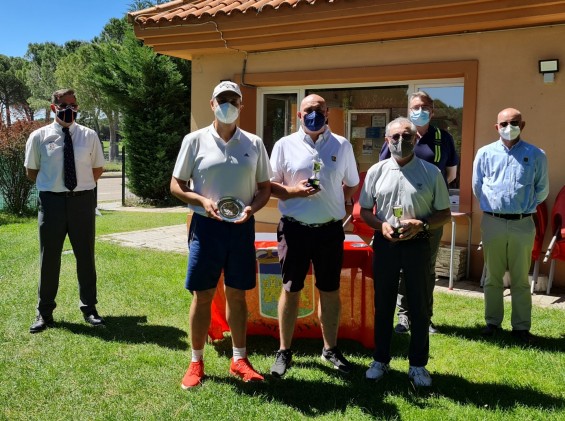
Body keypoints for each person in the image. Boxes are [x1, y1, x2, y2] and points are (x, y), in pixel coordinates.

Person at [170, 81, 271, 389]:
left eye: (233, 100)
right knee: (202, 295)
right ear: (212, 104)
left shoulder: (254, 143)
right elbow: (176, 185)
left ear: (241, 106)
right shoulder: (194, 140)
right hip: (206, 228)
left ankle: (239, 359)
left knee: (238, 295)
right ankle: (196, 362)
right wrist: (201, 201)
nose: (228, 104)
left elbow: (265, 187)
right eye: (222, 99)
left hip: (241, 228)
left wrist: (252, 209)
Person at [269, 94, 359, 377]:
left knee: (329, 291)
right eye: (308, 110)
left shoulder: (342, 145)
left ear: (328, 112)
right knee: (291, 289)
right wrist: (295, 192)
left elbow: (352, 184)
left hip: (329, 231)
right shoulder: (284, 145)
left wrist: (334, 203)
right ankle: (284, 351)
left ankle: (330, 349)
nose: (314, 114)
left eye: (319, 109)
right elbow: (270, 186)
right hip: (294, 229)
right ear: (299, 115)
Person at [360, 117, 450, 387]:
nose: (402, 141)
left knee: (420, 306)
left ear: (417, 139)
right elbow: (365, 211)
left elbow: (444, 214)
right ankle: (380, 359)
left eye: (407, 136)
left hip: (418, 242)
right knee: (383, 304)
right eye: (396, 137)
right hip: (386, 243)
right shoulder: (375, 171)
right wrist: (381, 225)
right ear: (387, 140)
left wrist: (421, 224)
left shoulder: (432, 172)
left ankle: (418, 365)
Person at [24, 88, 106, 333]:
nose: (69, 108)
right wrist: (55, 186)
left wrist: (79, 188)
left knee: (85, 256)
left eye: (73, 104)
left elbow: (97, 168)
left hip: (82, 202)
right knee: (49, 258)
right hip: (52, 204)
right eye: (63, 104)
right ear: (53, 107)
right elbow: (32, 171)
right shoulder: (39, 137)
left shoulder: (89, 136)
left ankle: (89, 308)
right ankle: (44, 312)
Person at [379, 91, 459, 335]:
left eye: (424, 107)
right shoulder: (397, 136)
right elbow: (383, 168)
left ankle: (425, 316)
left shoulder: (442, 138)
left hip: (431, 214)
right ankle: (404, 317)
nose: (420, 110)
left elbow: (451, 174)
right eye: (415, 106)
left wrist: (428, 192)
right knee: (403, 267)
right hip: (399, 214)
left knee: (427, 267)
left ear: (432, 111)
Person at [472, 108, 548, 344]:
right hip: (493, 221)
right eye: (504, 123)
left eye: (514, 122)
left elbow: (542, 189)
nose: (509, 126)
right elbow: (478, 185)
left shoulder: (536, 154)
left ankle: (521, 327)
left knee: (520, 278)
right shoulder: (484, 153)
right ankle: (492, 323)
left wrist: (523, 207)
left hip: (522, 223)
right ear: (496, 127)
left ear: (522, 124)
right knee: (493, 276)